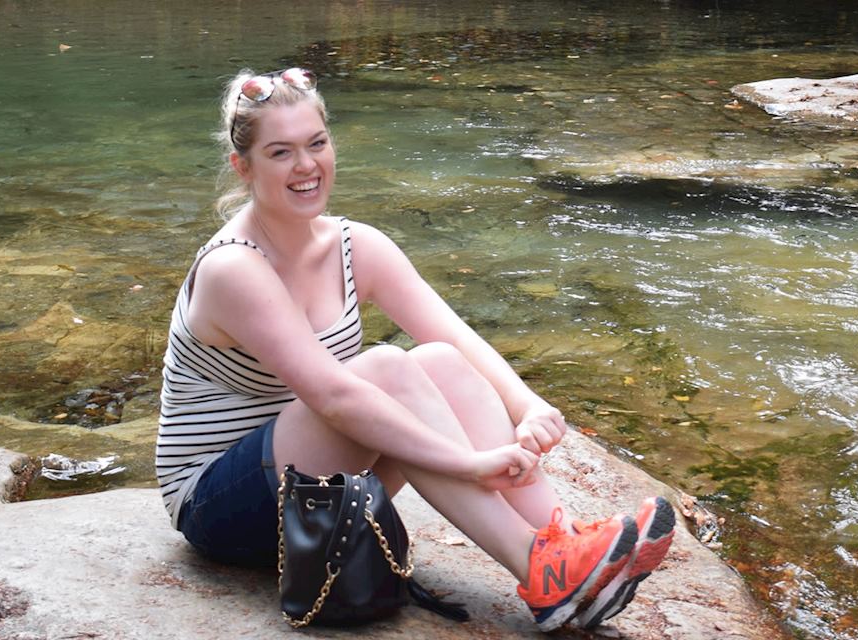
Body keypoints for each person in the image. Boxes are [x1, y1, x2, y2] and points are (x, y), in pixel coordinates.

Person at [155, 67, 675, 631]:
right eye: (281, 152)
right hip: (221, 505)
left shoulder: (356, 244)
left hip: (315, 484)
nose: (306, 166)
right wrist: (467, 462)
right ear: (243, 166)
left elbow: (454, 335)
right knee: (381, 368)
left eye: (317, 144)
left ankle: (564, 543)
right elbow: (333, 396)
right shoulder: (234, 267)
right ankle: (538, 568)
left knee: (441, 363)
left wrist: (526, 405)